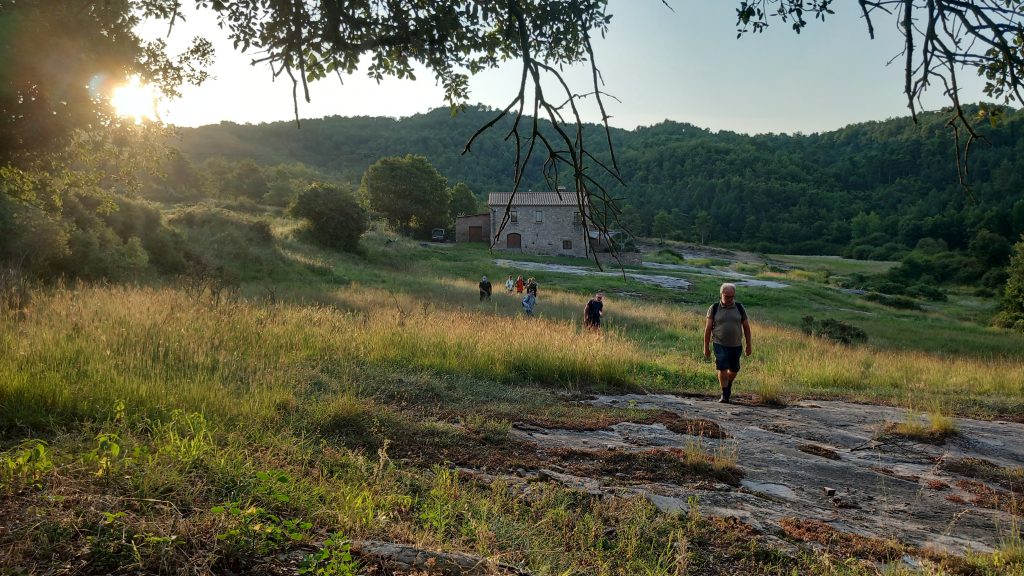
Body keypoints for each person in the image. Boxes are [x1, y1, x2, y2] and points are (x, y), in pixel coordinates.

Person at [703, 283, 752, 403]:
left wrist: (749, 345)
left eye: (732, 296)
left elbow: (746, 327)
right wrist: (706, 347)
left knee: (734, 370)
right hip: (719, 343)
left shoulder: (739, 307)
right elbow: (708, 328)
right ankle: (725, 394)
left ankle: (728, 383)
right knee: (722, 367)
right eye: (727, 296)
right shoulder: (714, 308)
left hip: (736, 344)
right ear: (721, 294)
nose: (730, 299)